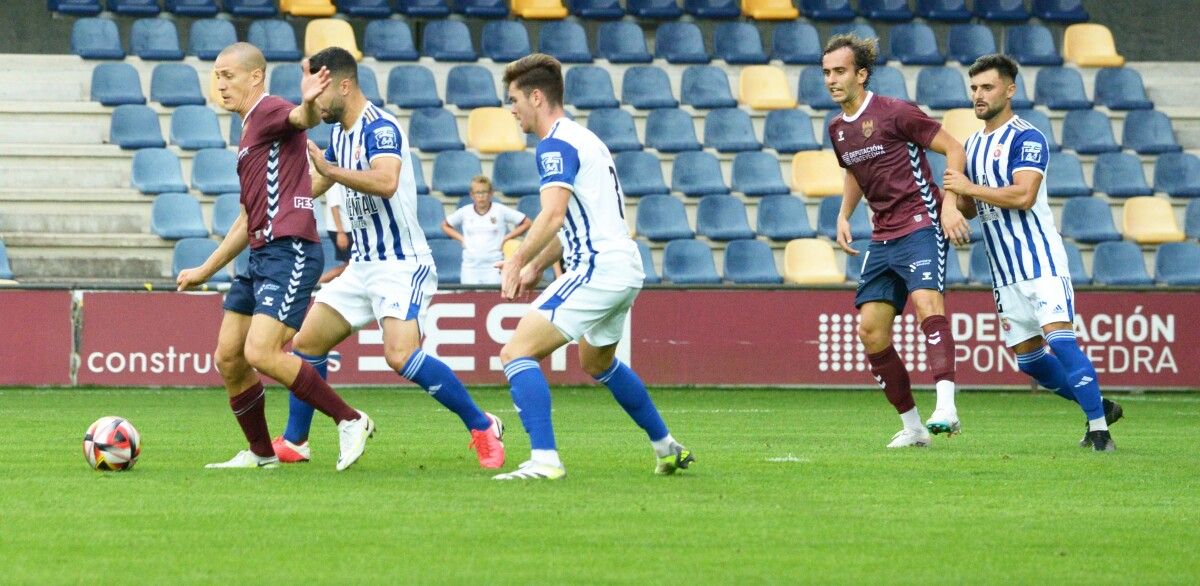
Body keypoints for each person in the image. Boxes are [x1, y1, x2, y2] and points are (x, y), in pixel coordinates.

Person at [270, 47, 507, 468]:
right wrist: (283, 203)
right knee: (306, 342)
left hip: (402, 263)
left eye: (318, 93)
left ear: (343, 85)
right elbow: (324, 181)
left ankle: (482, 424)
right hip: (363, 265)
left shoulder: (381, 128)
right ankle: (295, 441)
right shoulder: (340, 133)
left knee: (398, 356)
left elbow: (385, 181)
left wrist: (329, 172)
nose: (313, 103)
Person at [491, 54, 693, 480]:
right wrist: (535, 269)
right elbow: (575, 225)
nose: (511, 109)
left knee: (516, 353)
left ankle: (544, 461)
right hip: (623, 265)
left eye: (513, 99)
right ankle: (666, 446)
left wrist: (516, 262)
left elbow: (552, 216)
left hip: (597, 267)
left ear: (536, 96)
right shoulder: (587, 139)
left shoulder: (553, 144)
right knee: (597, 362)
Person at [176, 43, 373, 471]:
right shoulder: (249, 131)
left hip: (291, 250)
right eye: (217, 75)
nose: (221, 84)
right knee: (229, 357)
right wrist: (205, 270)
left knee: (262, 353)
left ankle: (351, 419)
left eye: (228, 75)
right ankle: (263, 454)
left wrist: (306, 99)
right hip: (262, 254)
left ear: (255, 77)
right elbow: (248, 218)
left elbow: (302, 118)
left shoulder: (269, 110)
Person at [943, 54, 1122, 451]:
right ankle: (1098, 405)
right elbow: (975, 206)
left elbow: (1023, 196)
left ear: (1010, 90)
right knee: (1029, 362)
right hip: (1003, 271)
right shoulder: (972, 145)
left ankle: (1099, 431)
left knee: (1060, 342)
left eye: (987, 87)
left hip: (1040, 262)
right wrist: (955, 205)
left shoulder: (1028, 137)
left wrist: (966, 188)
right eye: (973, 88)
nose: (978, 95)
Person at [823, 35, 972, 448]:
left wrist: (950, 206)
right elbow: (854, 169)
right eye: (827, 73)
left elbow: (953, 148)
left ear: (861, 74)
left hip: (921, 222)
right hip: (883, 234)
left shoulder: (895, 112)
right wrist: (843, 214)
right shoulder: (837, 129)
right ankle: (913, 428)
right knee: (870, 331)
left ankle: (946, 408)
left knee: (928, 306)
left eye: (840, 71)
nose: (832, 80)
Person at [441, 176, 532, 285]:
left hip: (494, 266)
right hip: (470, 267)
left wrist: (506, 238)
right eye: (478, 193)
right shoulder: (465, 212)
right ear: (472, 195)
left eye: (484, 192)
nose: (481, 197)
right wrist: (461, 239)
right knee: (469, 297)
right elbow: (445, 225)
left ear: (491, 193)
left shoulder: (500, 210)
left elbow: (527, 222)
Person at [319, 183, 352, 283]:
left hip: (347, 229)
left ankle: (317, 282)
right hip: (341, 230)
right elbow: (334, 206)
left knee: (351, 265)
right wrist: (340, 232)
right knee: (350, 266)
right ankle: (317, 282)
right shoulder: (334, 182)